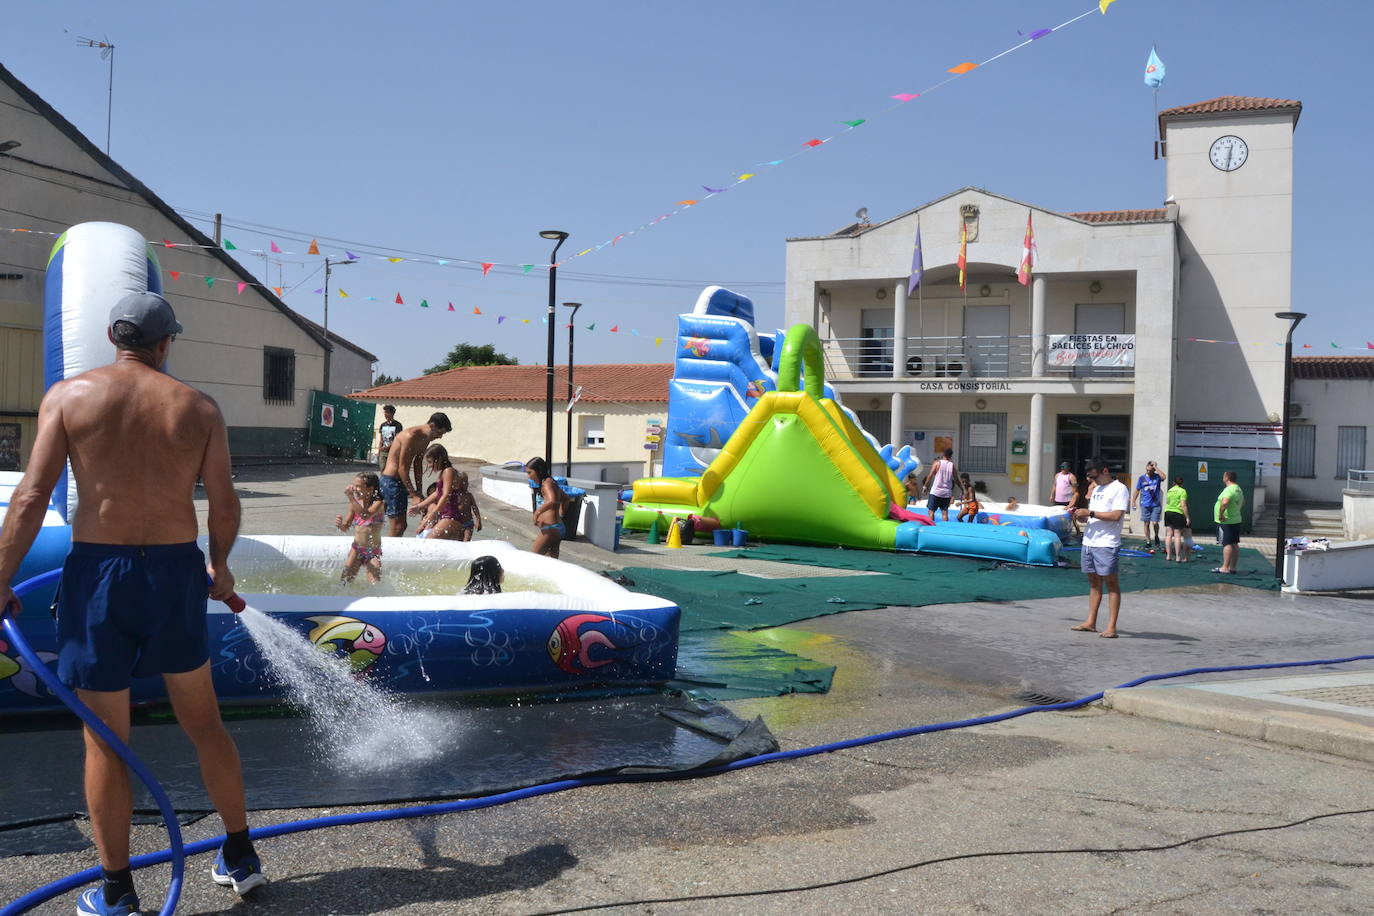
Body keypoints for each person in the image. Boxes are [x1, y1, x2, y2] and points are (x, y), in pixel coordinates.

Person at [0, 292, 266, 914]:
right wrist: (220, 569)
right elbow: (223, 503)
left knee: (104, 739)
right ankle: (239, 854)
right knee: (205, 724)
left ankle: (117, 891)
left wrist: (2, 575)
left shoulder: (69, 396)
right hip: (175, 571)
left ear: (111, 335)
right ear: (166, 341)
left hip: (100, 575)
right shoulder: (198, 407)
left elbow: (32, 497)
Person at [1070, 456, 1130, 639]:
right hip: (1090, 541)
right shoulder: (1097, 489)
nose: (1092, 480)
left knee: (1111, 583)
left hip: (1106, 543)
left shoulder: (1119, 488)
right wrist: (1084, 517)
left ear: (1105, 470)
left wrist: (1091, 513)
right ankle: (1091, 622)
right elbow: (1096, 515)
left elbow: (1116, 516)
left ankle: (1111, 627)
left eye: (1095, 476)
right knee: (1094, 583)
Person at [379, 411, 451, 538]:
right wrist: (413, 495)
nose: (440, 437)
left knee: (399, 525)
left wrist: (419, 491)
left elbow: (418, 463)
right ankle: (383, 554)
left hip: (399, 481)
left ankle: (380, 551)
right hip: (391, 481)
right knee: (398, 526)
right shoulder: (410, 436)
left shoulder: (425, 438)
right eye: (440, 433)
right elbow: (402, 468)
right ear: (433, 426)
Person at [334, 473, 384, 583]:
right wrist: (341, 525)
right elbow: (346, 527)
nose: (353, 489)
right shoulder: (354, 504)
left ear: (370, 489)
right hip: (356, 549)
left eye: (357, 486)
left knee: (375, 584)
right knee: (344, 583)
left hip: (372, 551)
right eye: (353, 485)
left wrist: (351, 498)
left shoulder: (378, 503)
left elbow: (365, 516)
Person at [410, 444, 460, 540]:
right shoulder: (443, 472)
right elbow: (437, 493)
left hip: (451, 516)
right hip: (445, 515)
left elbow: (446, 495)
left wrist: (434, 513)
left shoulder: (448, 471)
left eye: (430, 462)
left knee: (429, 543)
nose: (428, 466)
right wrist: (419, 506)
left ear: (439, 459)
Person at [527, 456, 569, 558]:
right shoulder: (551, 482)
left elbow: (552, 500)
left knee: (532, 558)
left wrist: (537, 512)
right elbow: (566, 498)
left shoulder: (546, 484)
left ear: (538, 471)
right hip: (556, 528)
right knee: (551, 562)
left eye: (530, 472)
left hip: (550, 529)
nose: (528, 476)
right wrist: (562, 514)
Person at [1213, 470, 1245, 574]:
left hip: (1227, 521)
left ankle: (1225, 567)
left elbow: (1225, 502)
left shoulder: (1229, 489)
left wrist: (1221, 514)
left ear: (1227, 477)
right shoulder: (1238, 489)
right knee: (1234, 543)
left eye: (1224, 475)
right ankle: (1233, 567)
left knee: (1227, 543)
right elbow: (1243, 502)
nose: (1223, 477)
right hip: (1235, 519)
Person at [1132, 460, 1166, 551]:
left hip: (1155, 504)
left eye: (1151, 470)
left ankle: (1156, 536)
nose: (1148, 472)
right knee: (1146, 523)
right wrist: (1133, 501)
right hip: (1145, 504)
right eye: (1147, 470)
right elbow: (1137, 490)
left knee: (1155, 522)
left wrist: (1156, 467)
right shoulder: (1141, 478)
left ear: (1153, 470)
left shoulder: (1157, 477)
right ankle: (1148, 541)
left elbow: (1164, 477)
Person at [1163, 476, 1192, 563]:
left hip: (1168, 512)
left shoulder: (1170, 490)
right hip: (1177, 513)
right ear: (1182, 484)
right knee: (1177, 535)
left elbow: (1168, 501)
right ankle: (1178, 557)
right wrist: (1187, 517)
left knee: (1168, 535)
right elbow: (1183, 505)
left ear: (1173, 482)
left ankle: (1168, 556)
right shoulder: (1182, 491)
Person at [923, 448, 957, 522]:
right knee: (944, 513)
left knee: (931, 511)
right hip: (946, 493)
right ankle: (944, 529)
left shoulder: (937, 463)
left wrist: (925, 486)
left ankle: (931, 528)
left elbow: (929, 476)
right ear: (951, 456)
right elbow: (956, 479)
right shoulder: (952, 465)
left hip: (936, 491)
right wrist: (962, 489)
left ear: (943, 454)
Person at [374, 404, 402, 472]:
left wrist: (388, 447)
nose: (386, 414)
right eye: (385, 412)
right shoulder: (383, 425)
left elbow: (397, 439)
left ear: (392, 413)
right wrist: (379, 450)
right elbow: (381, 439)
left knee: (391, 469)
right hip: (383, 451)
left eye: (387, 412)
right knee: (382, 468)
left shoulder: (397, 425)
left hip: (393, 451)